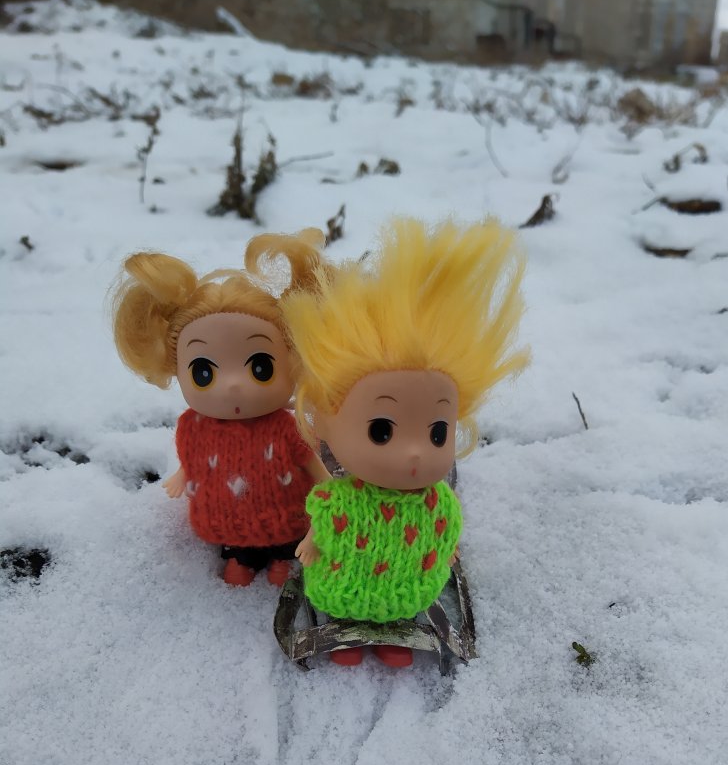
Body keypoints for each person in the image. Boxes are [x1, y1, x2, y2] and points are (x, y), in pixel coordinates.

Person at [281, 217, 529, 665]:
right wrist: (313, 541)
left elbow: (445, 528)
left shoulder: (437, 502)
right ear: (326, 423)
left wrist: (447, 549)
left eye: (437, 433)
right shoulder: (340, 497)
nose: (415, 452)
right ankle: (347, 630)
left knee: (401, 605)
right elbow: (324, 520)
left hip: (407, 584)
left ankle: (394, 634)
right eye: (382, 431)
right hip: (347, 581)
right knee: (345, 598)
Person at [112, 231, 331, 586]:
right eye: (204, 372)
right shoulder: (194, 425)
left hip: (286, 516)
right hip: (226, 518)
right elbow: (193, 457)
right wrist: (182, 475)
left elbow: (313, 466)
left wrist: (329, 492)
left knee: (283, 551)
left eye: (260, 367)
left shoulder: (284, 428)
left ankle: (280, 559)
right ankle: (240, 558)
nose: (232, 385)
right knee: (238, 550)